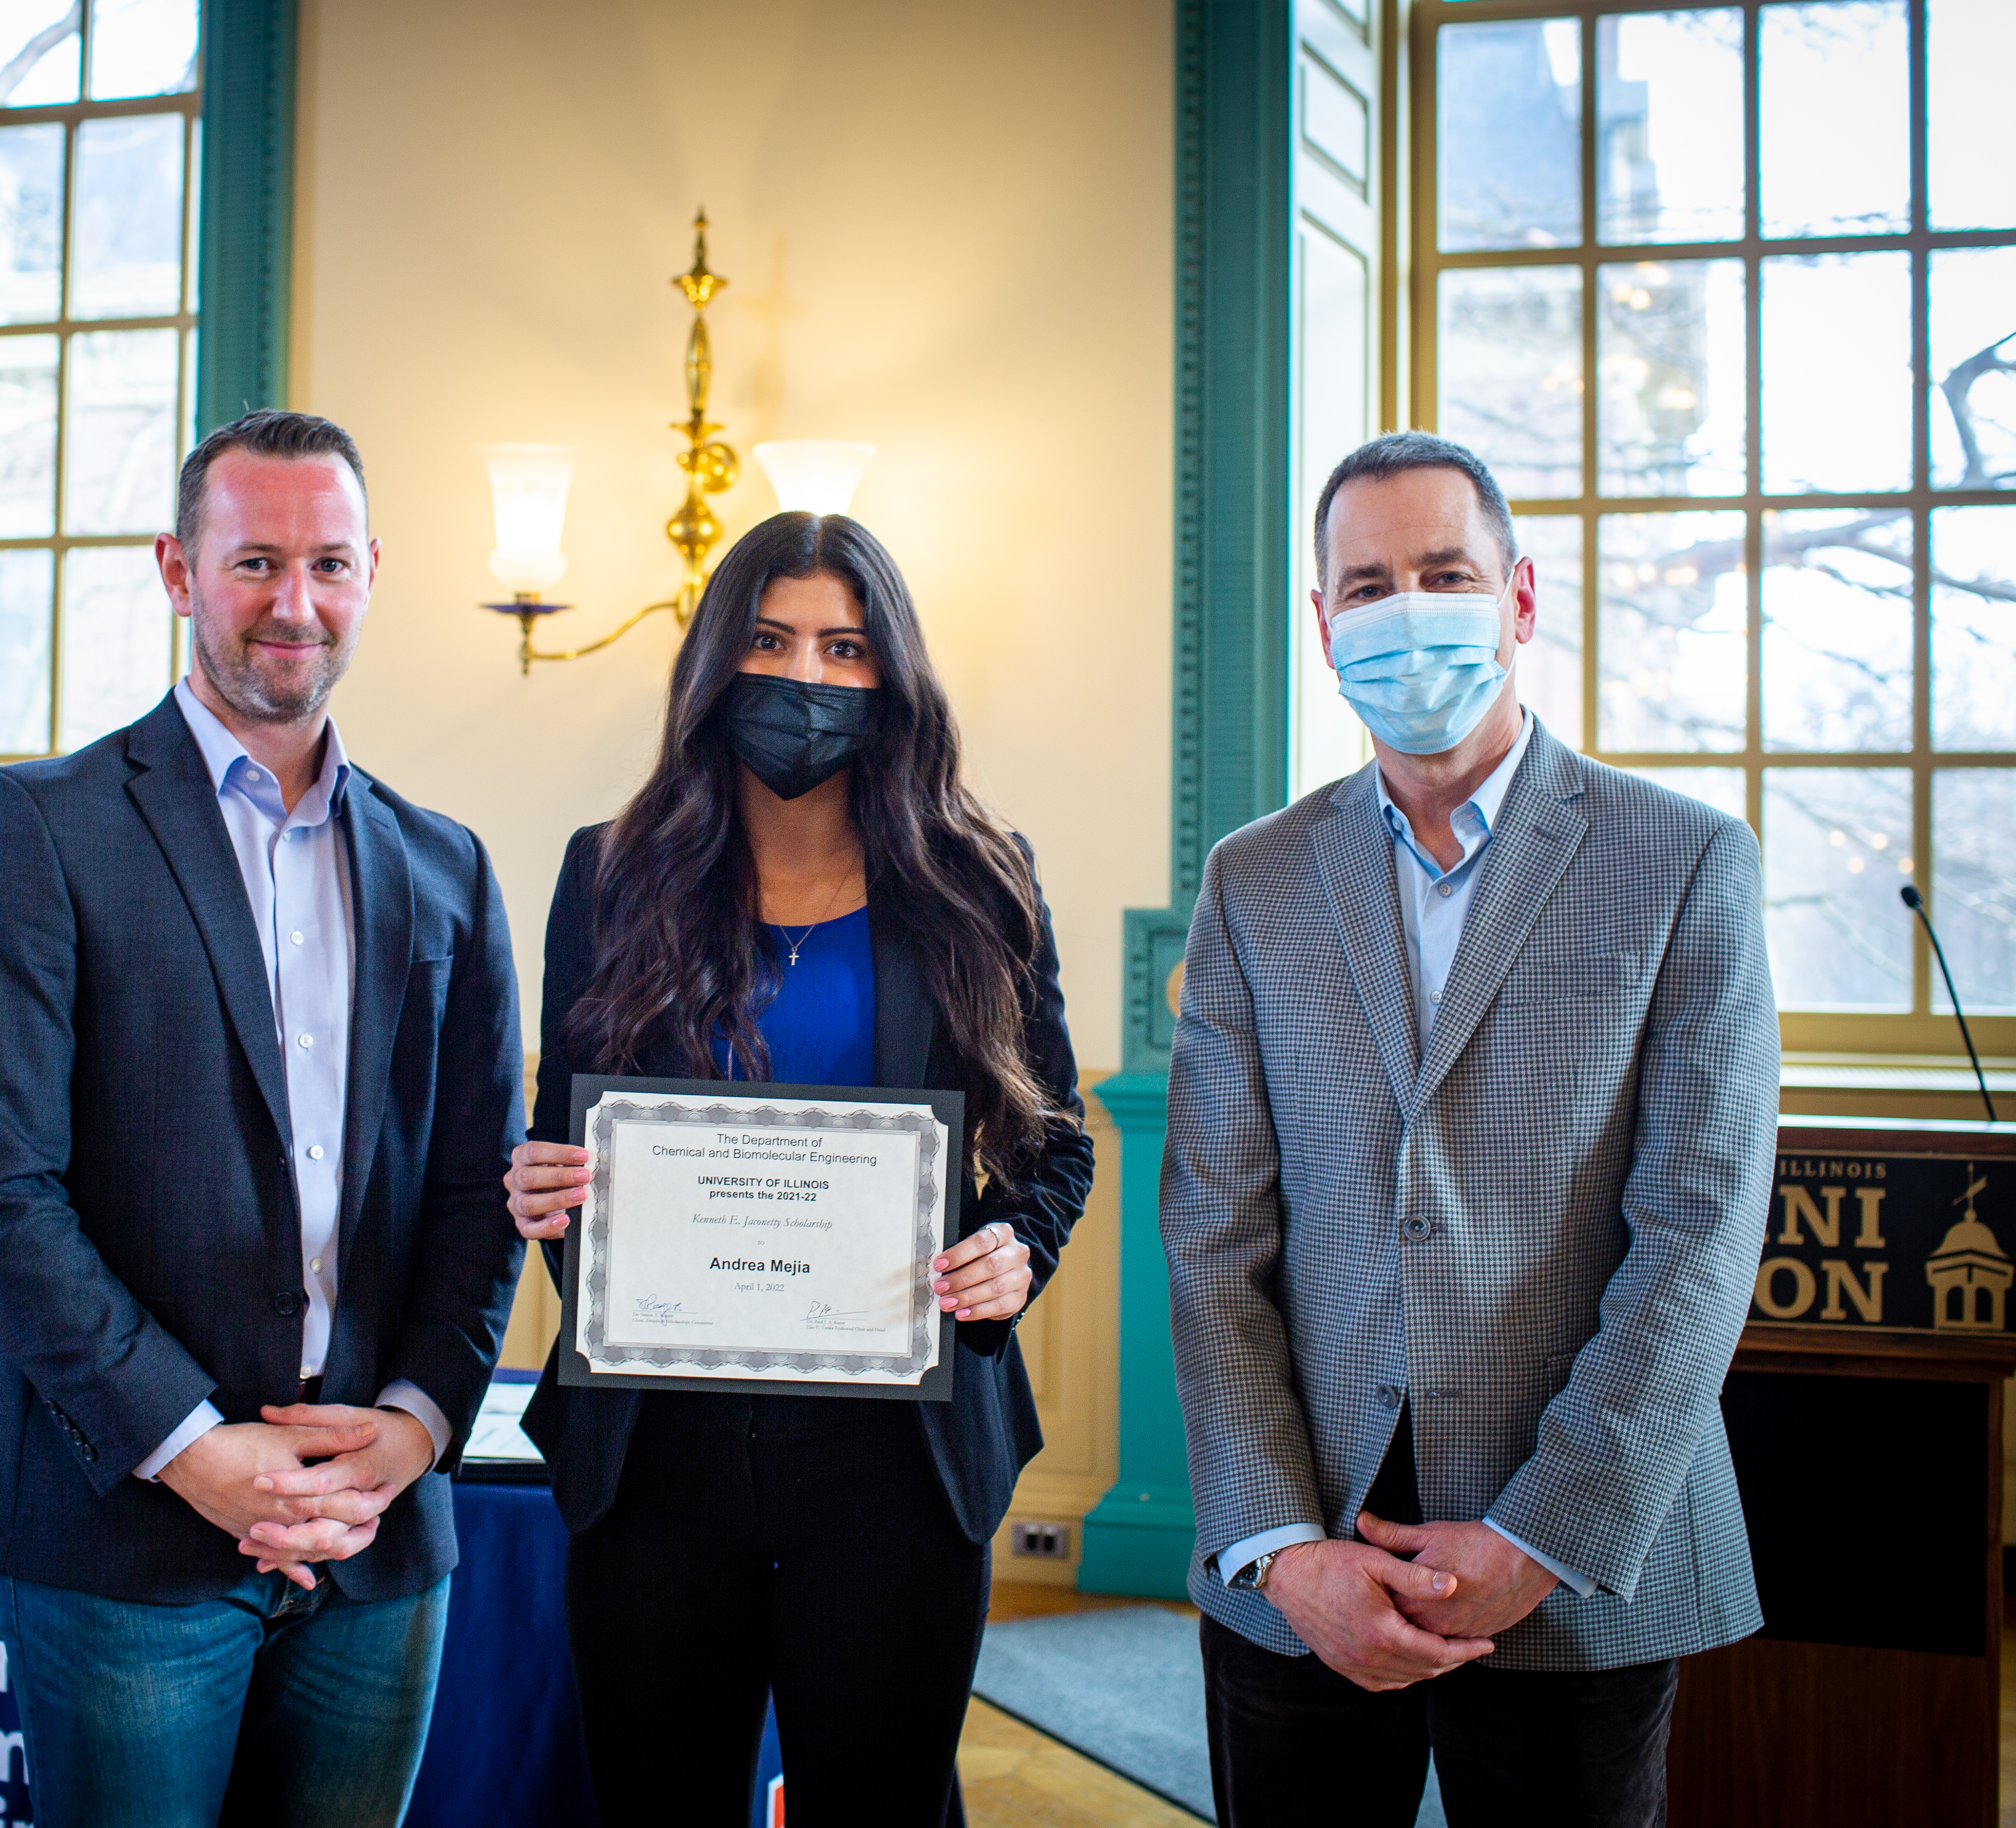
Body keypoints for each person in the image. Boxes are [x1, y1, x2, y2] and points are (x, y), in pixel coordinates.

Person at [0, 409, 528, 1827]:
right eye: (253, 562)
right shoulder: (39, 827)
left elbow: (475, 1192)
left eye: (325, 563)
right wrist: (192, 1447)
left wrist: (422, 1424)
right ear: (178, 572)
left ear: (371, 572)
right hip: (120, 1533)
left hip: (375, 1535)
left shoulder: (447, 869)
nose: (291, 603)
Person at [1162, 430, 1779, 1825]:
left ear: (1517, 598)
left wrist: (1536, 1535)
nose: (1403, 609)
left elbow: (1694, 1234)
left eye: (1442, 572)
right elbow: (1211, 1237)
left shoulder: (1682, 861)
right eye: (1366, 585)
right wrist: (1276, 1545)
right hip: (1304, 1560)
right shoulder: (1250, 879)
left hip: (1570, 1559)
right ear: (1323, 626)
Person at [504, 511, 1094, 1827]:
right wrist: (548, 1198)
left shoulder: (977, 881)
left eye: (844, 644)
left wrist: (1018, 1247)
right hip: (654, 1456)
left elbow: (1054, 1140)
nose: (806, 679)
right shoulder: (608, 878)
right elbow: (561, 1138)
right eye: (769, 641)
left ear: (893, 674)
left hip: (899, 1461)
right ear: (715, 660)